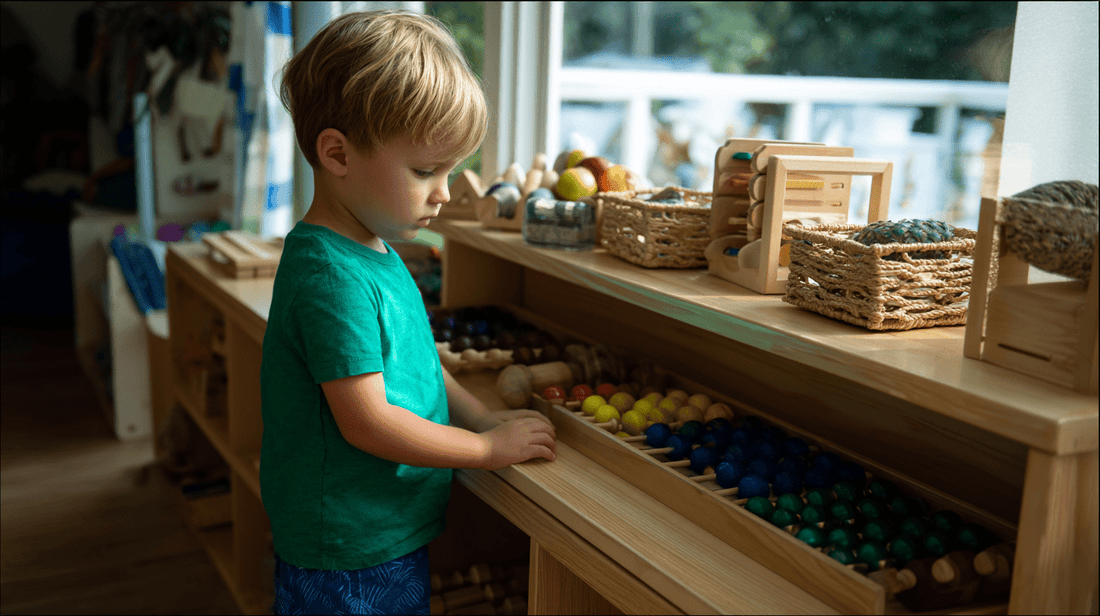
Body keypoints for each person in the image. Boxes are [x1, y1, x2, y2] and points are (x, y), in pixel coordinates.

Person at [261, 10, 557, 615]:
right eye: (425, 171)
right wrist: (484, 451)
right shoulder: (331, 277)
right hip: (346, 546)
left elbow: (420, 366)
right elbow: (367, 423)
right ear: (337, 153)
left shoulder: (377, 250)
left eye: (450, 170)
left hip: (380, 527)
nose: (445, 192)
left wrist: (483, 417)